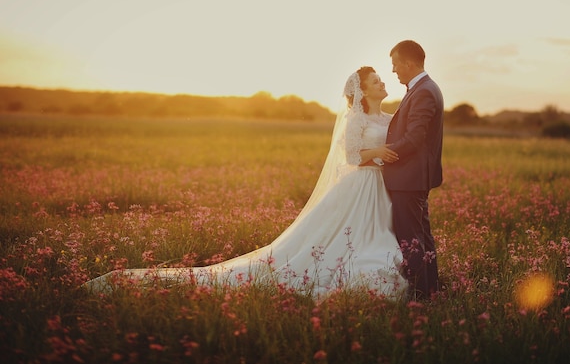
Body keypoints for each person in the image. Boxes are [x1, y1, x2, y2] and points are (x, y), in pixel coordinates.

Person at [84, 66, 406, 297]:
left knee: (378, 236)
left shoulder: (389, 117)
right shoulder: (356, 120)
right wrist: (378, 150)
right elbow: (351, 156)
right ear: (362, 90)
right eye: (376, 80)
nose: (382, 83)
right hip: (358, 186)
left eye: (380, 79)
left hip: (380, 188)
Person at [383, 40, 444, 301]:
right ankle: (431, 291)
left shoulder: (423, 91)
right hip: (414, 177)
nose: (394, 70)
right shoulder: (422, 88)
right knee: (422, 238)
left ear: (409, 63)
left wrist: (383, 156)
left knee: (411, 239)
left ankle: (419, 295)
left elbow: (414, 138)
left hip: (409, 178)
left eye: (396, 65)